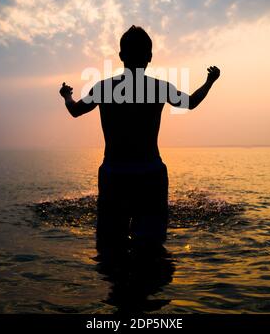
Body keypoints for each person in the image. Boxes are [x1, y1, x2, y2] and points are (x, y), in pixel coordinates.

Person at [59, 26, 220, 250]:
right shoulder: (158, 87)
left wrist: (67, 95)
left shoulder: (104, 87)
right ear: (150, 57)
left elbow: (75, 111)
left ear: (121, 56)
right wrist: (210, 81)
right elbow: (191, 102)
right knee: (152, 248)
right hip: (150, 174)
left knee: (110, 247)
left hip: (114, 172)